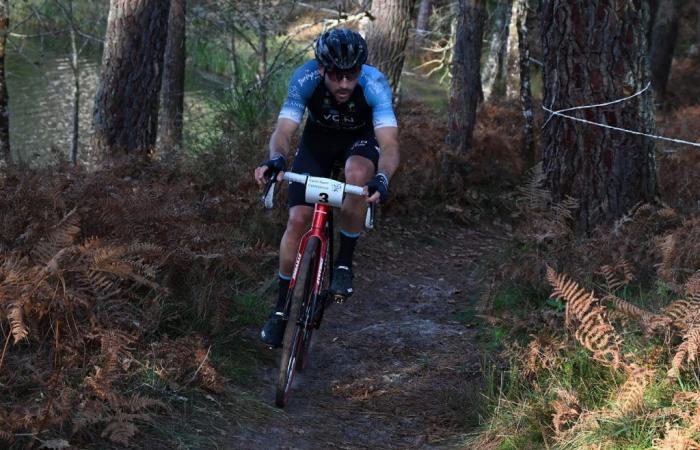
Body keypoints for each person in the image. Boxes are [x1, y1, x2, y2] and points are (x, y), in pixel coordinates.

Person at [254, 28, 400, 347]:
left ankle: (344, 262)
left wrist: (383, 177)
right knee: (296, 221)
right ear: (321, 69)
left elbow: (389, 144)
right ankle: (280, 310)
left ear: (361, 71)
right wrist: (277, 158)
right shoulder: (305, 78)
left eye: (351, 75)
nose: (345, 84)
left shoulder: (374, 84)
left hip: (359, 142)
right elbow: (283, 130)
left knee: (358, 172)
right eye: (336, 76)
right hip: (316, 143)